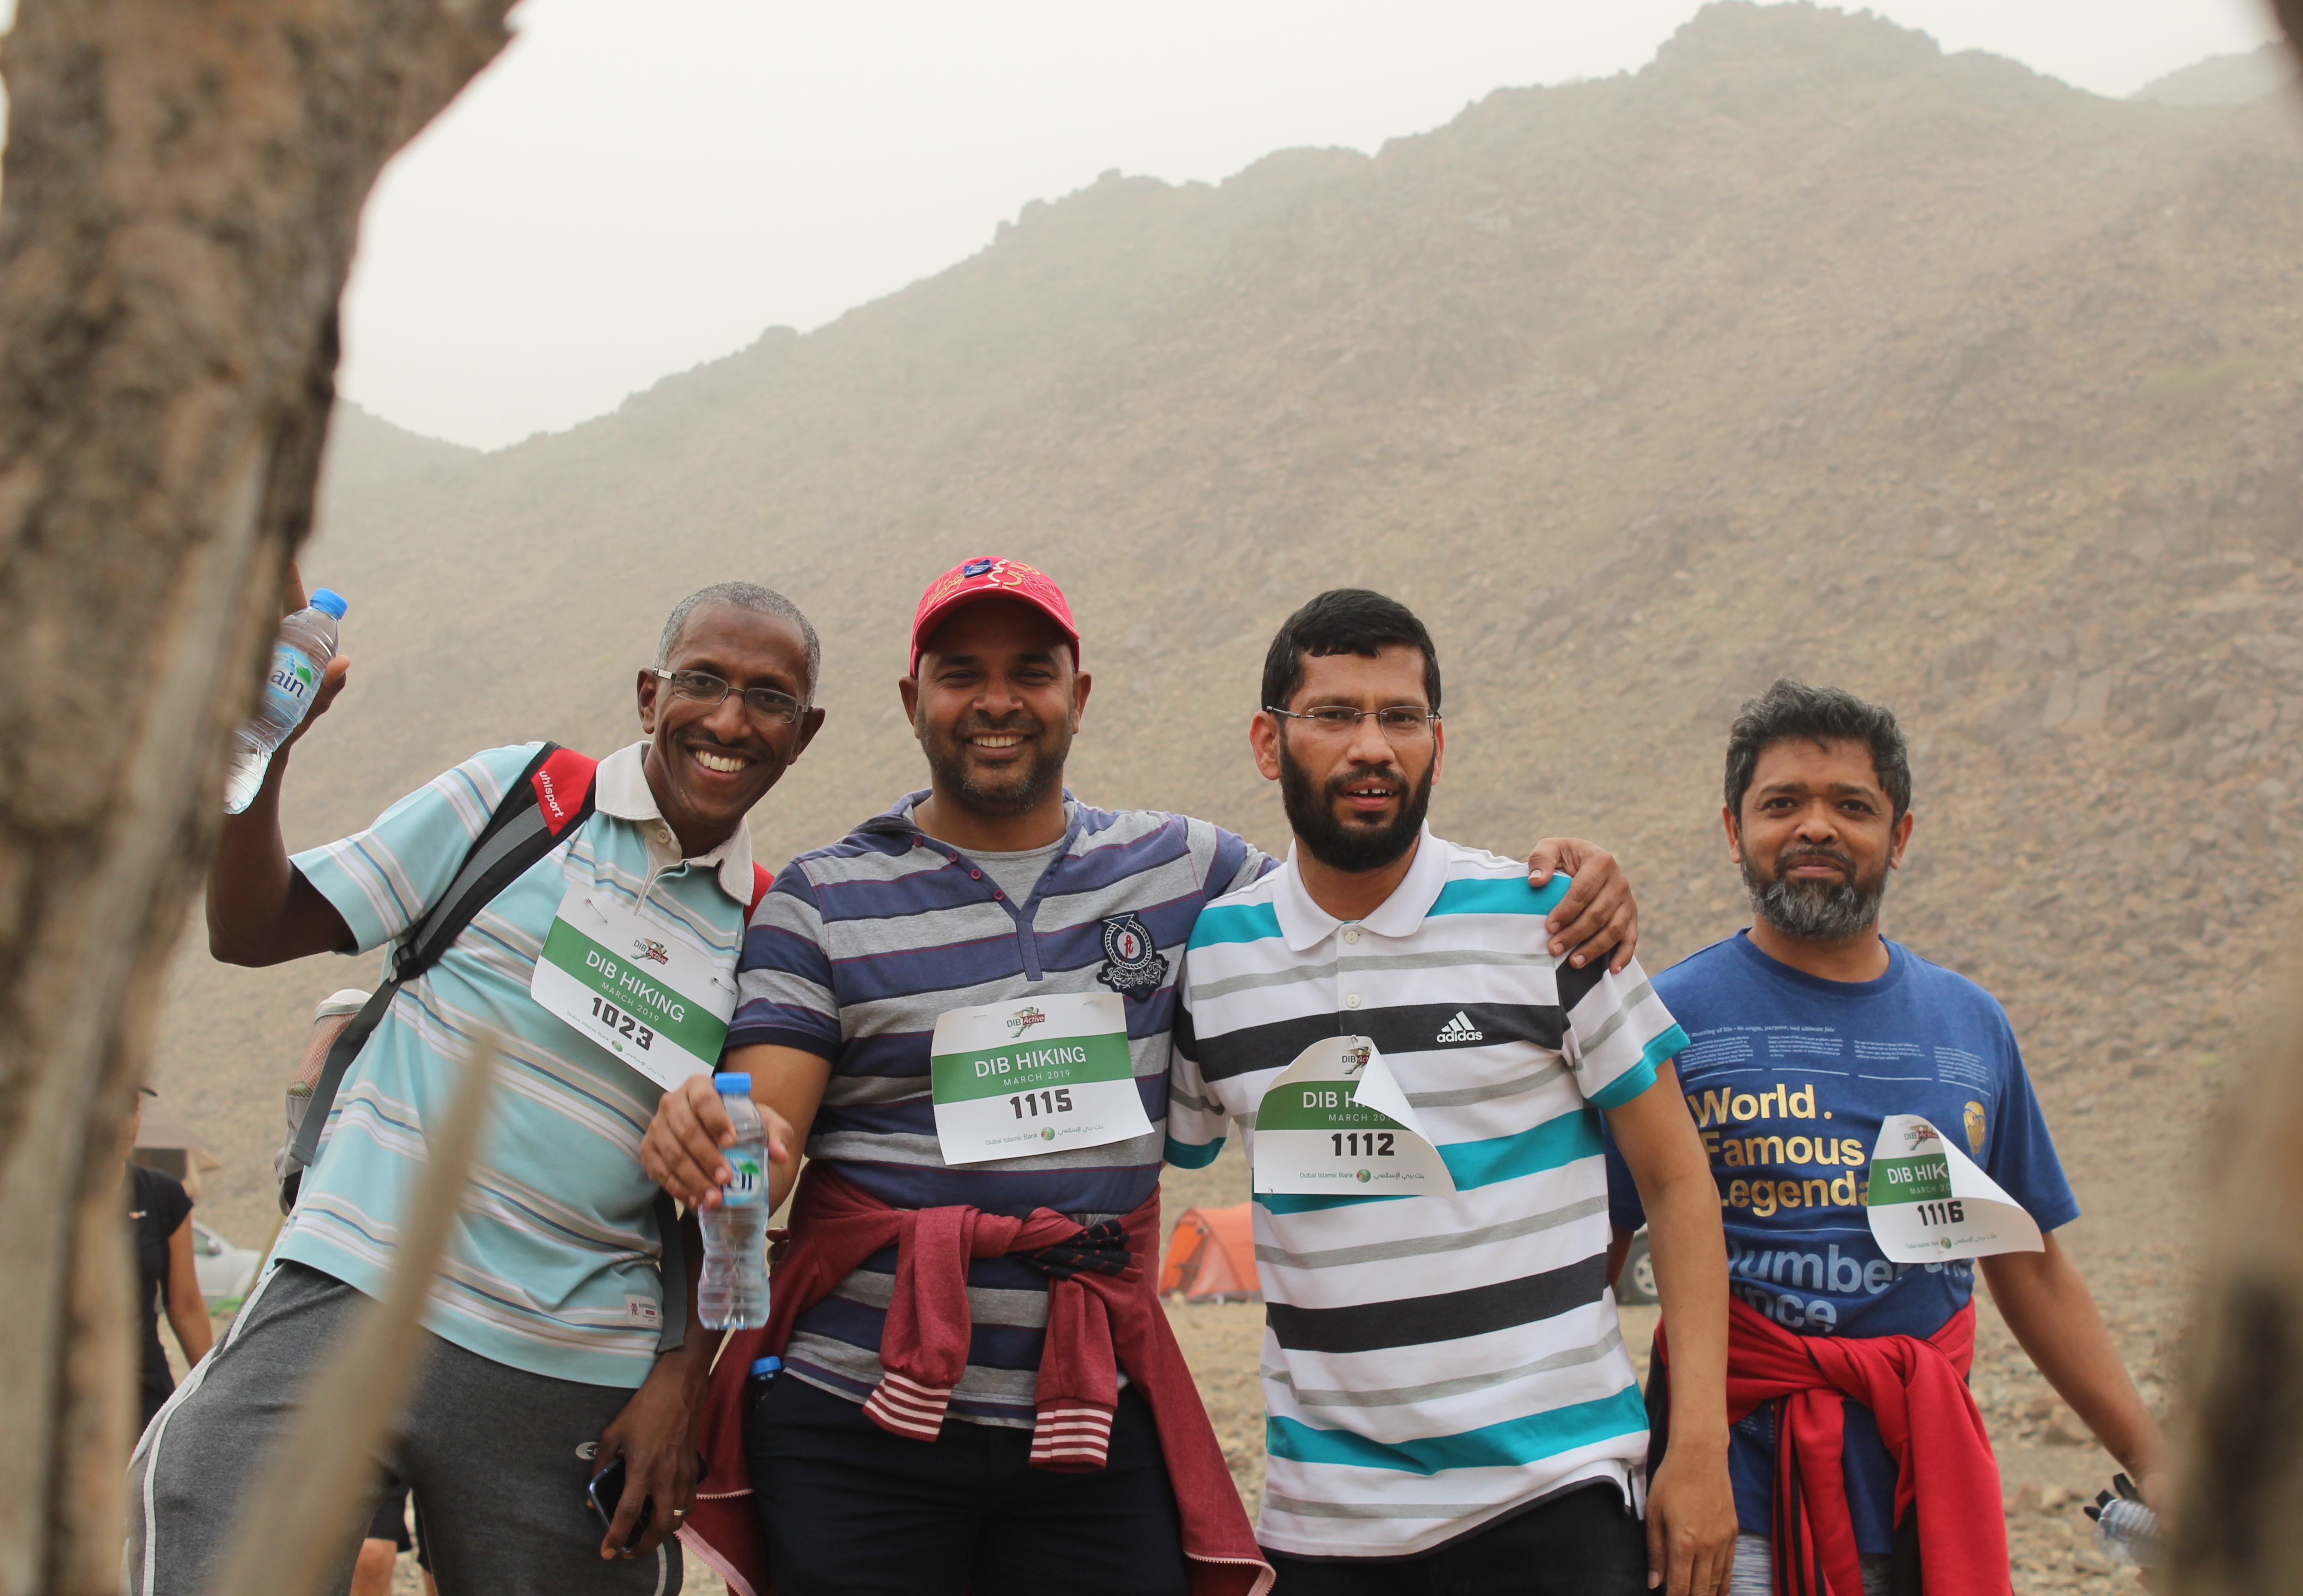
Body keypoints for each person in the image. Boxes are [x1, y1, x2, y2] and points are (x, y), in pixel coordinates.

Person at [641, 556, 1645, 1596]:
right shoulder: (822, 899)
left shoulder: (1185, 872)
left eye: (1031, 672)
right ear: (912, 700)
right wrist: (721, 1144)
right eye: (961, 674)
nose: (997, 701)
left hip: (1088, 1414)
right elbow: (763, 1137)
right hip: (859, 1413)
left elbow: (1354, 898)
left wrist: (1559, 879)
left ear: (1077, 697)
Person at [129, 581, 827, 1596]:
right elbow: (252, 927)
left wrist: (682, 1380)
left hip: (574, 1364)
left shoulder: (770, 929)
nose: (728, 721)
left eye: (768, 699)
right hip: (355, 1286)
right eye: (703, 682)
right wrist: (265, 751)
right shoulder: (518, 799)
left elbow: (742, 1193)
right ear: (649, 694)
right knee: (207, 1523)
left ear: (804, 734)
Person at [1166, 589, 1737, 1596]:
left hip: (1554, 1498)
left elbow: (1676, 1182)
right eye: (1334, 715)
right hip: (1326, 1522)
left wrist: (1697, 1445)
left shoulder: (1548, 924)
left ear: (1438, 742)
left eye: (1401, 716)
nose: (1371, 747)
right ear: (1268, 742)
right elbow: (1136, 1177)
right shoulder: (1217, 958)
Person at [1604, 679, 2167, 1596]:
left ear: (1898, 837)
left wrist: (2155, 1460)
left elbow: (2029, 1268)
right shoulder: (1664, 1018)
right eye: (1781, 804)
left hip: (1923, 1494)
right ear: (1734, 832)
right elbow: (1595, 1255)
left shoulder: (1970, 1026)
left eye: (1852, 806)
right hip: (1728, 1506)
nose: (1815, 827)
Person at [126, 1088, 213, 1434]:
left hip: (143, 1391)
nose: (125, 1123)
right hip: (57, 1392)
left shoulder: (162, 1195)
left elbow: (186, 1307)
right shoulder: (41, 1200)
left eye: (132, 1107)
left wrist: (213, 1394)